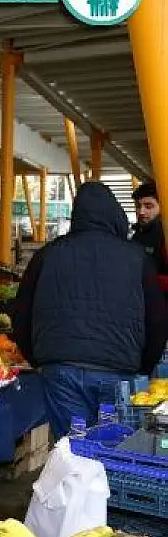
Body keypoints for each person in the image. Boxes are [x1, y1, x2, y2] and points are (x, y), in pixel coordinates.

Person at [12, 182, 168, 438]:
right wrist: (143, 367)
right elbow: (158, 320)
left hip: (61, 371)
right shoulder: (137, 257)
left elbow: (21, 313)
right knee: (114, 451)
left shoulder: (47, 255)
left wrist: (38, 359)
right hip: (119, 371)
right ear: (116, 215)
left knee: (74, 451)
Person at [131, 181, 168, 294]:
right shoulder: (137, 234)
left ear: (162, 206)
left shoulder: (165, 236)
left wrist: (146, 281)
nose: (141, 211)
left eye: (148, 206)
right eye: (138, 206)